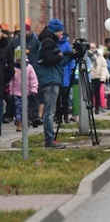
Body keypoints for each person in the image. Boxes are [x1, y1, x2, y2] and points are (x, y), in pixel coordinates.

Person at [35, 18, 73, 149]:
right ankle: (49, 140)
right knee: (50, 112)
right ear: (56, 31)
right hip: (50, 80)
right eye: (60, 31)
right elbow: (49, 60)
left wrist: (70, 57)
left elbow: (58, 63)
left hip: (53, 78)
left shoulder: (49, 41)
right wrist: (62, 54)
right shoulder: (48, 42)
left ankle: (50, 139)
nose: (61, 34)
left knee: (51, 111)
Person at [10, 47, 38, 132]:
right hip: (16, 92)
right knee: (18, 108)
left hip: (27, 92)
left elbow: (33, 79)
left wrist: (34, 89)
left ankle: (25, 121)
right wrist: (10, 90)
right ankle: (18, 122)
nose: (19, 62)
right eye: (18, 60)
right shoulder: (14, 68)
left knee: (25, 108)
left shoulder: (29, 68)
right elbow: (11, 80)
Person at [88, 43, 109, 114]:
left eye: (93, 47)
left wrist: (102, 78)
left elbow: (104, 68)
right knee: (90, 93)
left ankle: (97, 107)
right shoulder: (87, 56)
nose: (92, 49)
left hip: (97, 77)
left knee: (97, 93)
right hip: (90, 77)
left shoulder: (100, 57)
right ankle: (90, 107)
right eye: (91, 47)